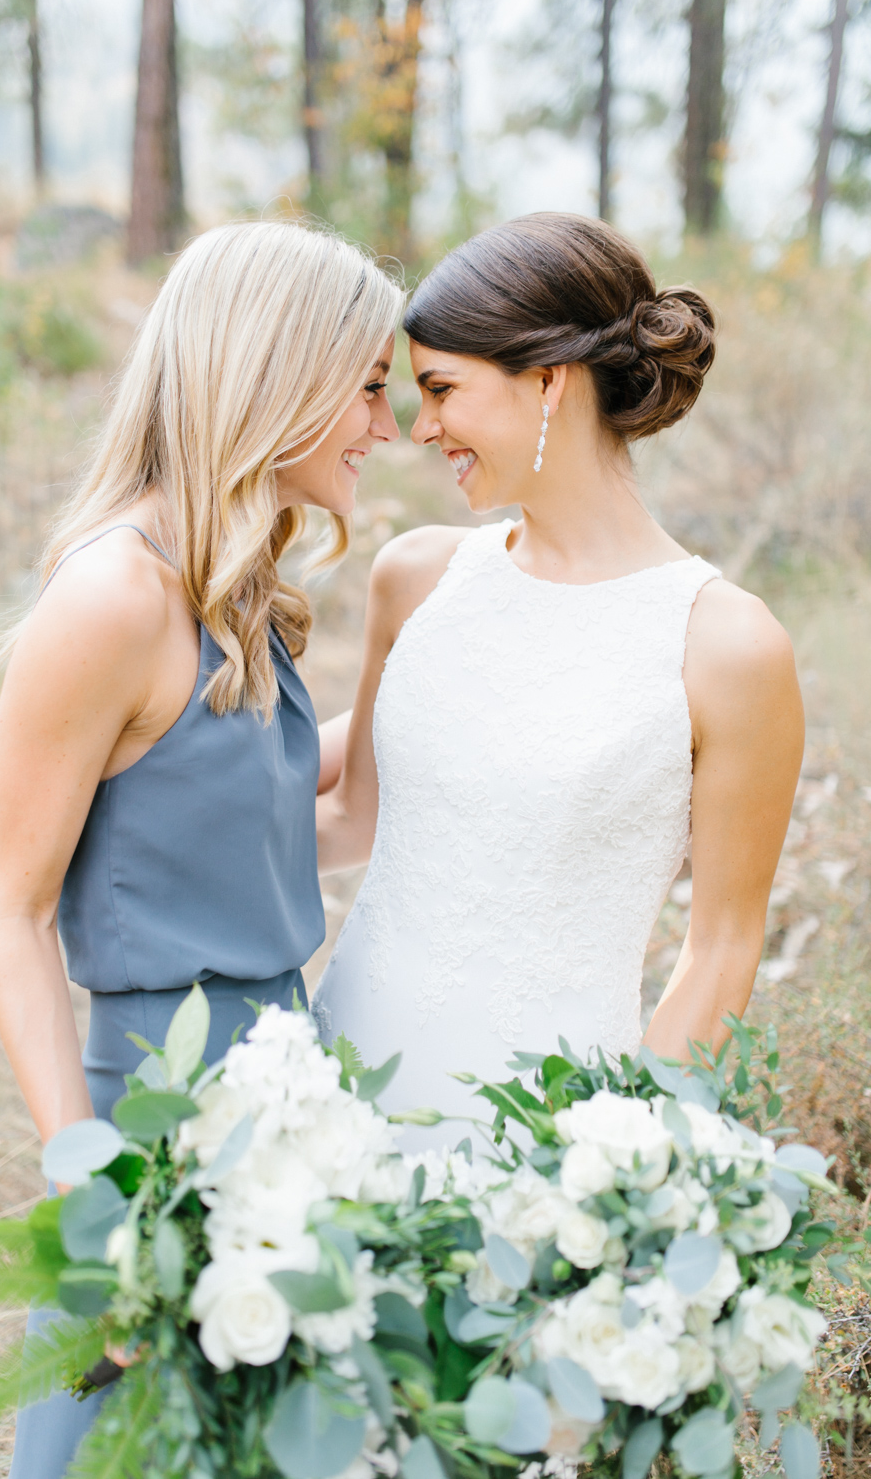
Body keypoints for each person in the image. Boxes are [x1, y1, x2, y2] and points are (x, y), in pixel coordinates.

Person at [0, 218, 401, 1475]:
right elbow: (11, 908)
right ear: (283, 375)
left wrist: (418, 667)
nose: (384, 428)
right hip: (154, 1123)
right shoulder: (113, 597)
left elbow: (290, 810)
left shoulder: (236, 587)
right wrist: (85, 1185)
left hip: (290, 1091)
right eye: (370, 390)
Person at [313, 212, 803, 1147]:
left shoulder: (726, 645)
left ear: (547, 380)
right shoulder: (414, 578)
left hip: (549, 1131)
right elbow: (351, 819)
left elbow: (722, 948)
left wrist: (618, 1175)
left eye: (442, 389)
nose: (421, 429)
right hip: (344, 1087)